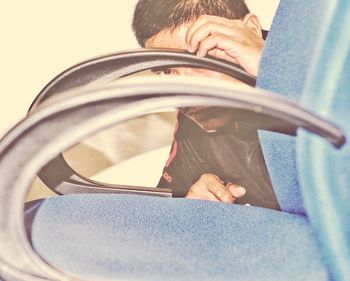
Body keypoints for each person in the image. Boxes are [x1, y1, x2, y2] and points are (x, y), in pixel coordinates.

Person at [132, 0, 280, 210]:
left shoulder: (330, 65)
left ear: (252, 31)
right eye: (167, 71)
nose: (183, 94)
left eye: (200, 57)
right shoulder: (192, 123)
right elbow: (162, 213)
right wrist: (190, 205)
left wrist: (273, 71)